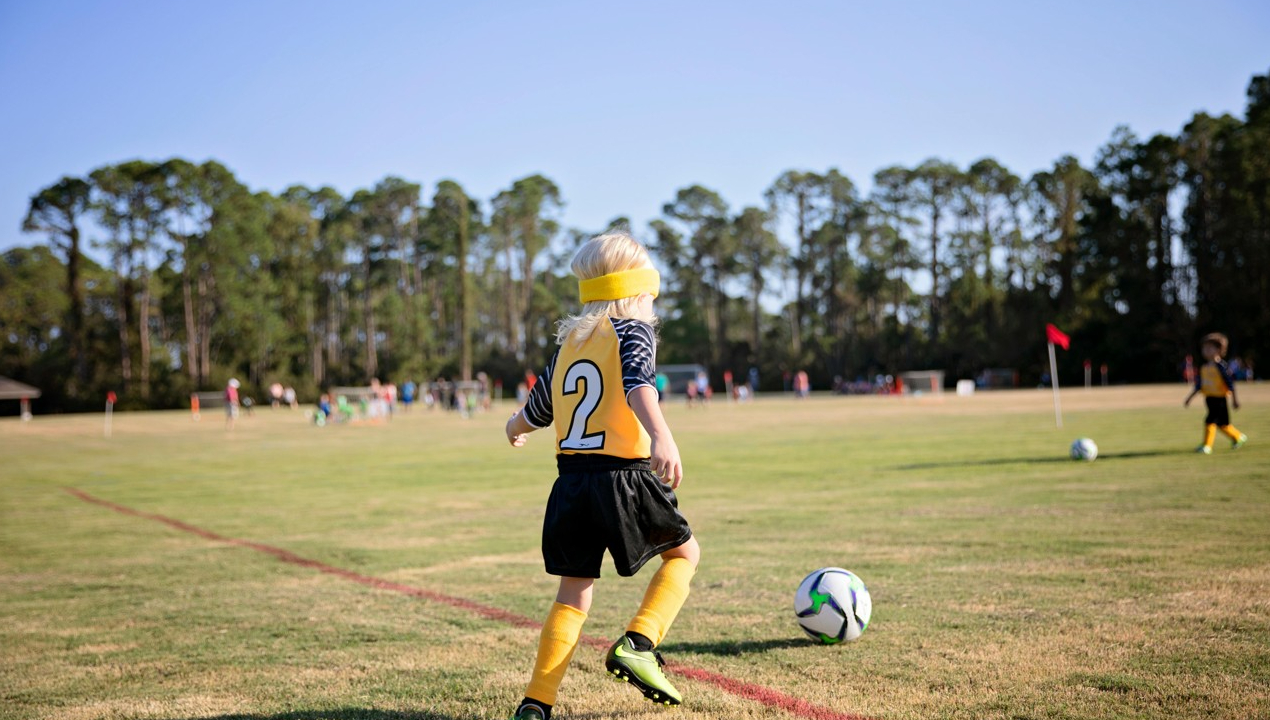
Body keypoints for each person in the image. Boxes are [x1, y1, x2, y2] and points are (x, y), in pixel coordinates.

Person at [502, 231, 698, 720]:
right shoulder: (633, 330)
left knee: (573, 591)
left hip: (570, 483)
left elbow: (538, 409)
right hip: (622, 475)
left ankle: (536, 702)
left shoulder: (570, 343)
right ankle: (639, 643)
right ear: (638, 290)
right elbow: (638, 385)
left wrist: (513, 426)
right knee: (685, 554)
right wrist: (662, 435)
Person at [1184, 332, 1248, 454]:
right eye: (1204, 348)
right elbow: (1199, 385)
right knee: (1222, 424)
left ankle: (1207, 446)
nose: (1206, 350)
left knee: (1210, 420)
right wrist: (1189, 398)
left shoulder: (1221, 367)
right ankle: (1238, 436)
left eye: (1209, 348)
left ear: (1219, 350)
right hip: (1209, 399)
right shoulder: (1204, 367)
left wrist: (1235, 400)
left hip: (1220, 400)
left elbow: (1230, 384)